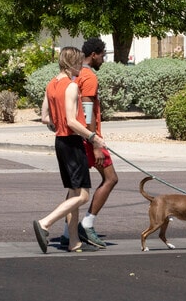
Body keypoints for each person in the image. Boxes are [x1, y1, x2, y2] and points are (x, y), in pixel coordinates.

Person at [32, 46, 107, 253]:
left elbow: (45, 117)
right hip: (73, 143)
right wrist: (94, 138)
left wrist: (59, 124)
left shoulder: (51, 84)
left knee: (73, 192)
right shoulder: (71, 86)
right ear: (72, 62)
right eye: (79, 63)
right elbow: (72, 121)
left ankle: (74, 241)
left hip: (60, 142)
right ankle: (45, 223)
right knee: (82, 196)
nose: (81, 67)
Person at [60, 37, 118, 249]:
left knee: (75, 188)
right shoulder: (89, 77)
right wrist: (95, 143)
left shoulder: (73, 76)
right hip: (90, 139)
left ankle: (69, 231)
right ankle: (87, 223)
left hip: (77, 138)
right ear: (94, 54)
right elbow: (87, 111)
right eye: (103, 55)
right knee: (111, 179)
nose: (104, 59)